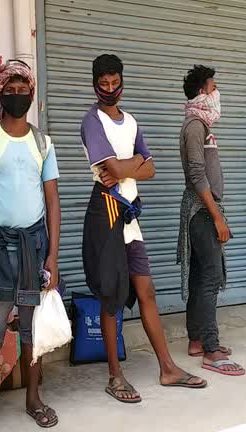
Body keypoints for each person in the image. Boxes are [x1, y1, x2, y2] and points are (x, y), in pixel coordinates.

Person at [81, 54, 207, 404]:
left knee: (147, 291)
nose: (110, 90)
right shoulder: (91, 122)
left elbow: (146, 169)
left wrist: (128, 167)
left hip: (129, 216)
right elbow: (112, 166)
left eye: (114, 83)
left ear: (122, 81)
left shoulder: (132, 121)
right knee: (112, 297)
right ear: (94, 85)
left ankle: (168, 368)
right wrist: (135, 163)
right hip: (106, 213)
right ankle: (114, 375)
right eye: (103, 84)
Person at [0, 60, 61, 431]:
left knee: (30, 329)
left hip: (33, 248)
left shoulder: (42, 143)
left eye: (24, 90)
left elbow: (52, 201)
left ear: (31, 94)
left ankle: (33, 398)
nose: (18, 95)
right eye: (12, 89)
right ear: (0, 92)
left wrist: (51, 256)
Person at [177, 65, 245, 376]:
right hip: (201, 212)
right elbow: (196, 174)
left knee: (199, 276)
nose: (217, 94)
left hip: (205, 210)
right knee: (211, 278)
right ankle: (210, 349)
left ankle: (196, 339)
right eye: (214, 87)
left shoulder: (201, 125)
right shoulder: (194, 126)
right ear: (204, 92)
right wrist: (217, 217)